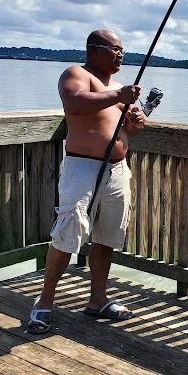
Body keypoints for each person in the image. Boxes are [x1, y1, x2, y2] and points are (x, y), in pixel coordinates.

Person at [27, 29, 147, 334]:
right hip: (82, 168)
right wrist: (119, 97)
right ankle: (43, 303)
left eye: (123, 50)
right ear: (93, 50)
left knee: (107, 237)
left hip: (117, 170)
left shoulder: (119, 88)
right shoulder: (76, 74)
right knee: (67, 234)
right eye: (115, 50)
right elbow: (76, 103)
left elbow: (125, 129)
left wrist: (134, 123)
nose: (121, 55)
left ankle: (98, 301)